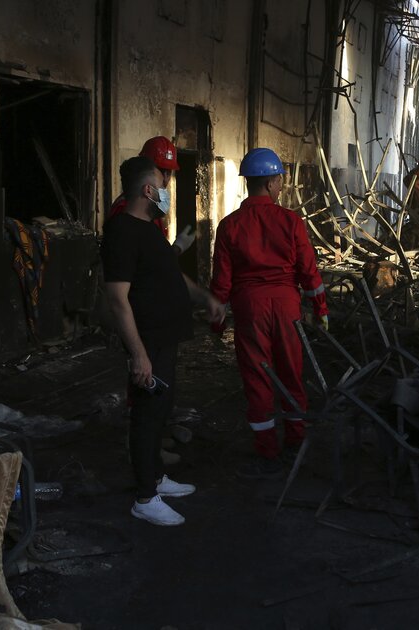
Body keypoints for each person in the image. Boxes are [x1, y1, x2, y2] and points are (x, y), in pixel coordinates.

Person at [101, 156, 225, 525]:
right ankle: (144, 498)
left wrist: (206, 298)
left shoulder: (150, 230)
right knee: (146, 415)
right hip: (148, 341)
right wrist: (138, 355)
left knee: (160, 412)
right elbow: (118, 299)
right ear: (148, 190)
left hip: (165, 339)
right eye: (163, 185)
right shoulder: (122, 231)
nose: (167, 193)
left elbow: (172, 277)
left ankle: (155, 477)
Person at [210, 148, 329, 479]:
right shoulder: (291, 221)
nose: (280, 186)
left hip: (250, 308)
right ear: (274, 181)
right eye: (280, 181)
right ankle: (296, 438)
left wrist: (217, 321)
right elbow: (309, 271)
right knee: (292, 371)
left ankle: (266, 447)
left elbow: (221, 279)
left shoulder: (229, 225)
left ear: (248, 182)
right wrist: (320, 310)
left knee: (258, 375)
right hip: (287, 306)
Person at [108, 136, 195, 254]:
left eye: (168, 172)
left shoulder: (152, 209)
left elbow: (154, 258)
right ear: (144, 168)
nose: (165, 179)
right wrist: (175, 250)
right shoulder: (126, 210)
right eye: (160, 170)